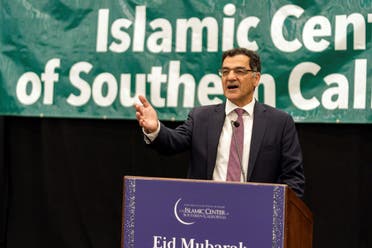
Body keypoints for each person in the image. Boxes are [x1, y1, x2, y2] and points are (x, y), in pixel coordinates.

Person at [134, 48, 305, 197]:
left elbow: (293, 178)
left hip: (256, 214)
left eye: (239, 71)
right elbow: (173, 143)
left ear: (256, 78)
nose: (230, 77)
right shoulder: (201, 117)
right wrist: (155, 128)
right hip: (207, 210)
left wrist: (275, 211)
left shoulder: (279, 122)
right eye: (225, 71)